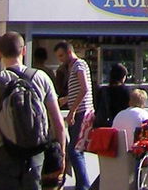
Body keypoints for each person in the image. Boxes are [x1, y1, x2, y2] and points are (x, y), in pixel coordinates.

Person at [0, 32, 64, 190]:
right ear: (24, 51)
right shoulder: (41, 78)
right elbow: (58, 124)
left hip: (3, 155)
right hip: (36, 156)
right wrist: (61, 158)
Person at [52, 44, 92, 190]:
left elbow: (84, 88)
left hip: (82, 111)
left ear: (69, 52)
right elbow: (79, 90)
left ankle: (83, 185)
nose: (61, 60)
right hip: (79, 110)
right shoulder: (72, 67)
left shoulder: (79, 65)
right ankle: (82, 183)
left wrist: (72, 111)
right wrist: (66, 100)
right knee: (75, 149)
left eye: (62, 56)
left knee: (74, 150)